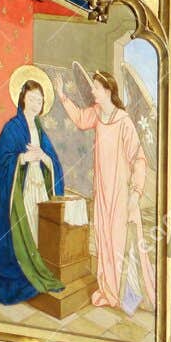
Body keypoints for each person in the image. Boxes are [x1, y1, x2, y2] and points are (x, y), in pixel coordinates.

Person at [58, 68, 156, 313]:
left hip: (122, 192)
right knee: (104, 237)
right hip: (101, 189)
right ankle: (109, 290)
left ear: (108, 91)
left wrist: (135, 194)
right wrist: (62, 97)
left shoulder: (123, 121)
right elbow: (80, 119)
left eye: (96, 88)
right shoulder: (96, 113)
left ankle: (126, 292)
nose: (92, 91)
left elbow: (139, 159)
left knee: (120, 240)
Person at [0, 70, 67, 304]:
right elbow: (2, 162)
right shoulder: (12, 128)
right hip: (20, 190)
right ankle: (21, 266)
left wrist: (42, 156)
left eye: (40, 100)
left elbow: (53, 162)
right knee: (22, 227)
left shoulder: (40, 130)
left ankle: (33, 262)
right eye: (32, 98)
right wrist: (23, 158)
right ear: (23, 98)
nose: (36, 103)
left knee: (36, 226)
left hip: (38, 187)